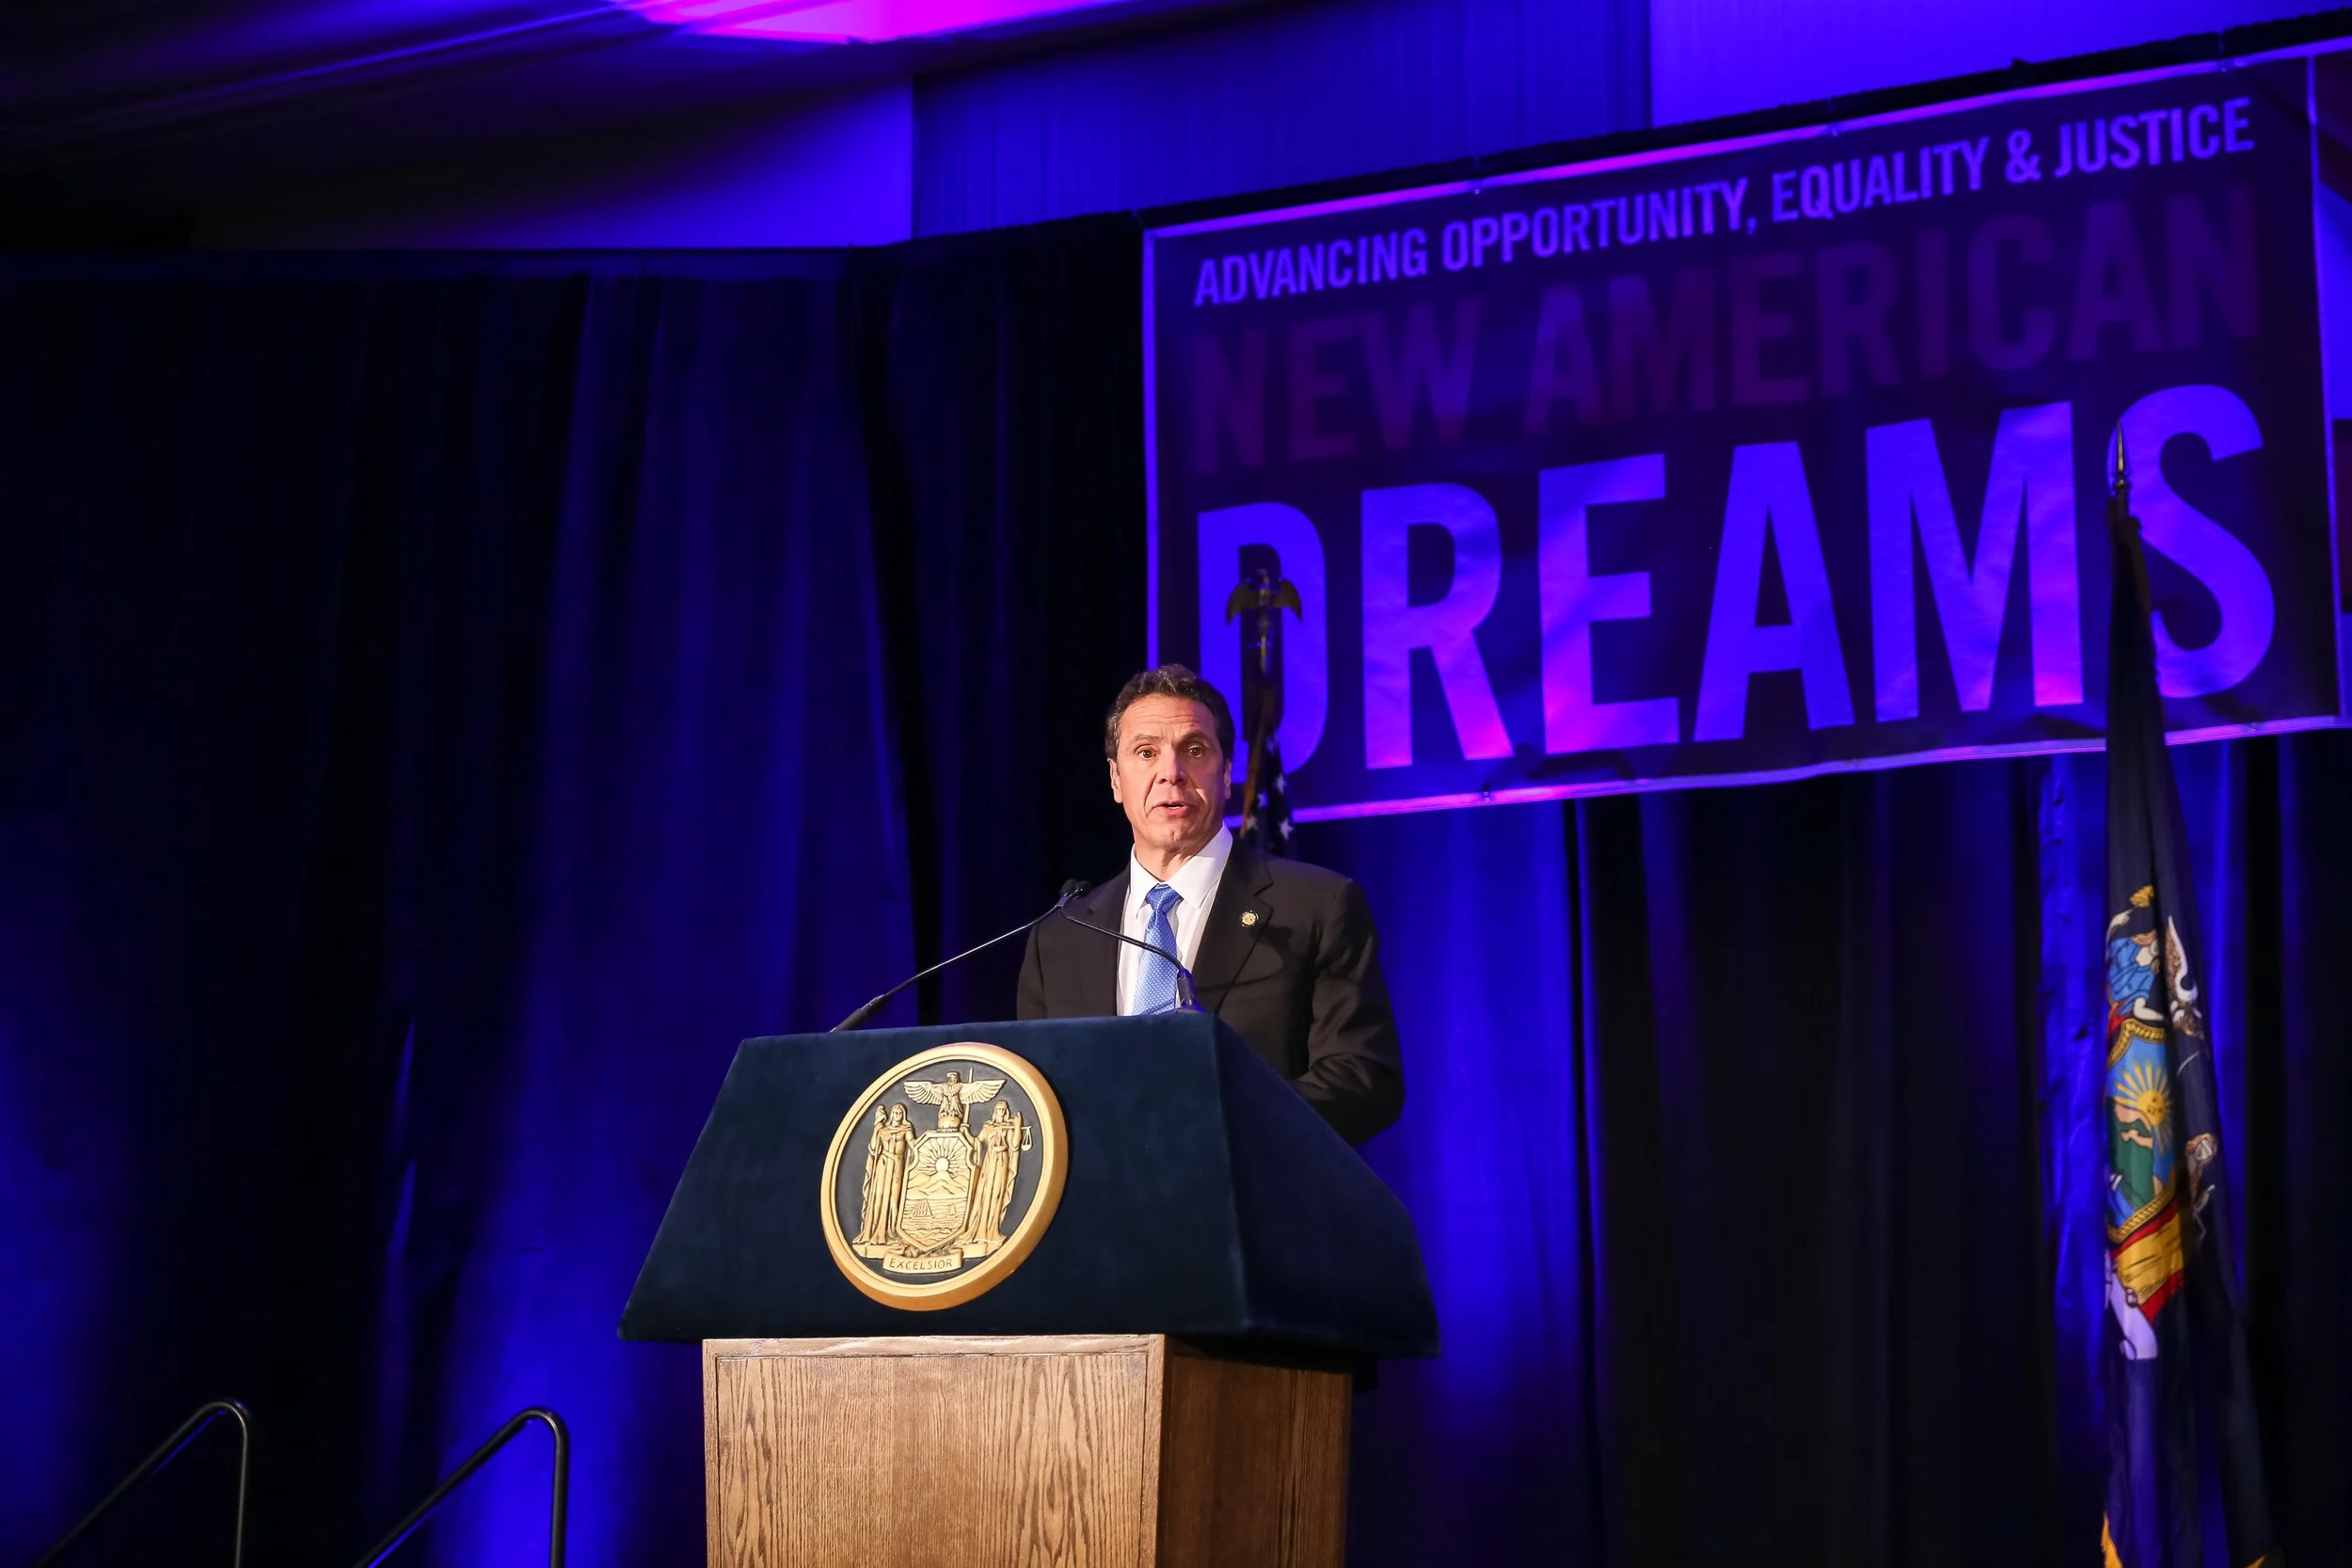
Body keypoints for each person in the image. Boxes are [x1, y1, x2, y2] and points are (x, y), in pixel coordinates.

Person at [1016, 663, 1403, 1146]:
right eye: (1146, 753)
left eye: (1194, 750)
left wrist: (1221, 1123)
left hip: (1250, 1185)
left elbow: (1363, 1078)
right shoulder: (1061, 937)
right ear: (1116, 779)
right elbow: (1033, 1097)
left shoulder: (1316, 908)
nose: (1171, 773)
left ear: (1226, 772)